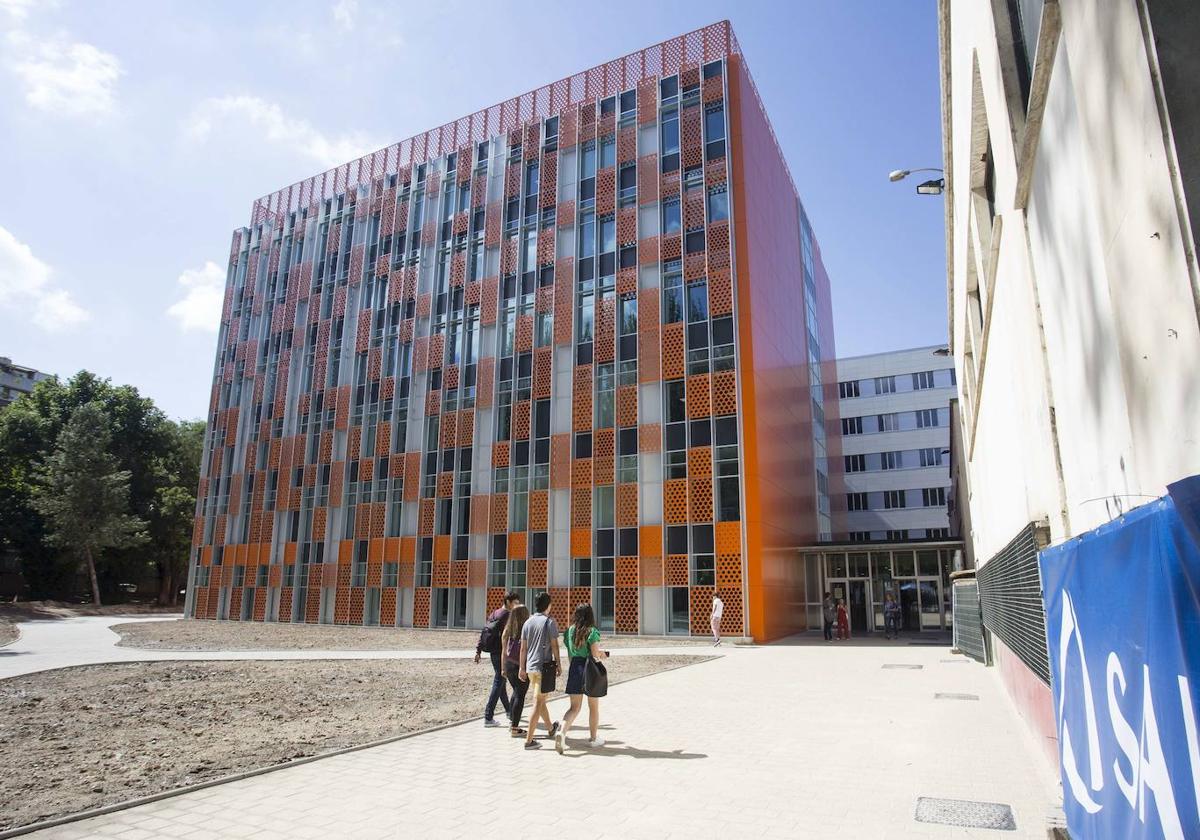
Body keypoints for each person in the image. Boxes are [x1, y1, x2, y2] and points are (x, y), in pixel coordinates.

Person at [557, 603, 611, 753]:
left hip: (575, 667)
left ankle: (561, 732)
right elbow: (595, 654)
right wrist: (604, 654)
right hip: (589, 671)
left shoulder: (570, 631)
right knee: (593, 707)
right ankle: (593, 739)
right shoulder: (592, 631)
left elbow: (569, 652)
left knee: (574, 708)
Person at [519, 591, 561, 751]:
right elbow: (555, 645)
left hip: (531, 668)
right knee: (537, 702)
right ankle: (529, 741)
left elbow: (523, 648)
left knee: (541, 700)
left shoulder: (527, 622)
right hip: (544, 668)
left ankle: (550, 728)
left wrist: (522, 668)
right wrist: (558, 663)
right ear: (548, 605)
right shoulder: (549, 622)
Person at [475, 590, 519, 727]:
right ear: (508, 602)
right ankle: (488, 717)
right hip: (501, 653)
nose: (517, 605)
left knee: (501, 682)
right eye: (515, 603)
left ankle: (509, 711)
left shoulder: (494, 613)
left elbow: (484, 631)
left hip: (493, 652)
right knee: (499, 681)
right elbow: (509, 635)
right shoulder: (507, 615)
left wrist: (478, 651)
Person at [501, 604, 531, 737]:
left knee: (516, 692)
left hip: (508, 664)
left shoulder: (508, 630)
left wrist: (503, 668)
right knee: (520, 695)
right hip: (520, 666)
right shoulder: (526, 631)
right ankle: (514, 728)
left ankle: (512, 722)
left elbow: (503, 651)